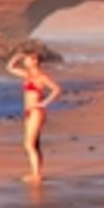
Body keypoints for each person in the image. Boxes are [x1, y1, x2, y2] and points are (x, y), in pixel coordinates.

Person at [7, 45, 62, 182]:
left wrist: (44, 103)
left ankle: (36, 175)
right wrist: (17, 57)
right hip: (28, 111)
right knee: (35, 144)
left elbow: (56, 89)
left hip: (36, 111)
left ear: (34, 61)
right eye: (25, 60)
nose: (25, 62)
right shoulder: (27, 75)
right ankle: (36, 173)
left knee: (28, 144)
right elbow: (9, 68)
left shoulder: (41, 76)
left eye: (27, 60)